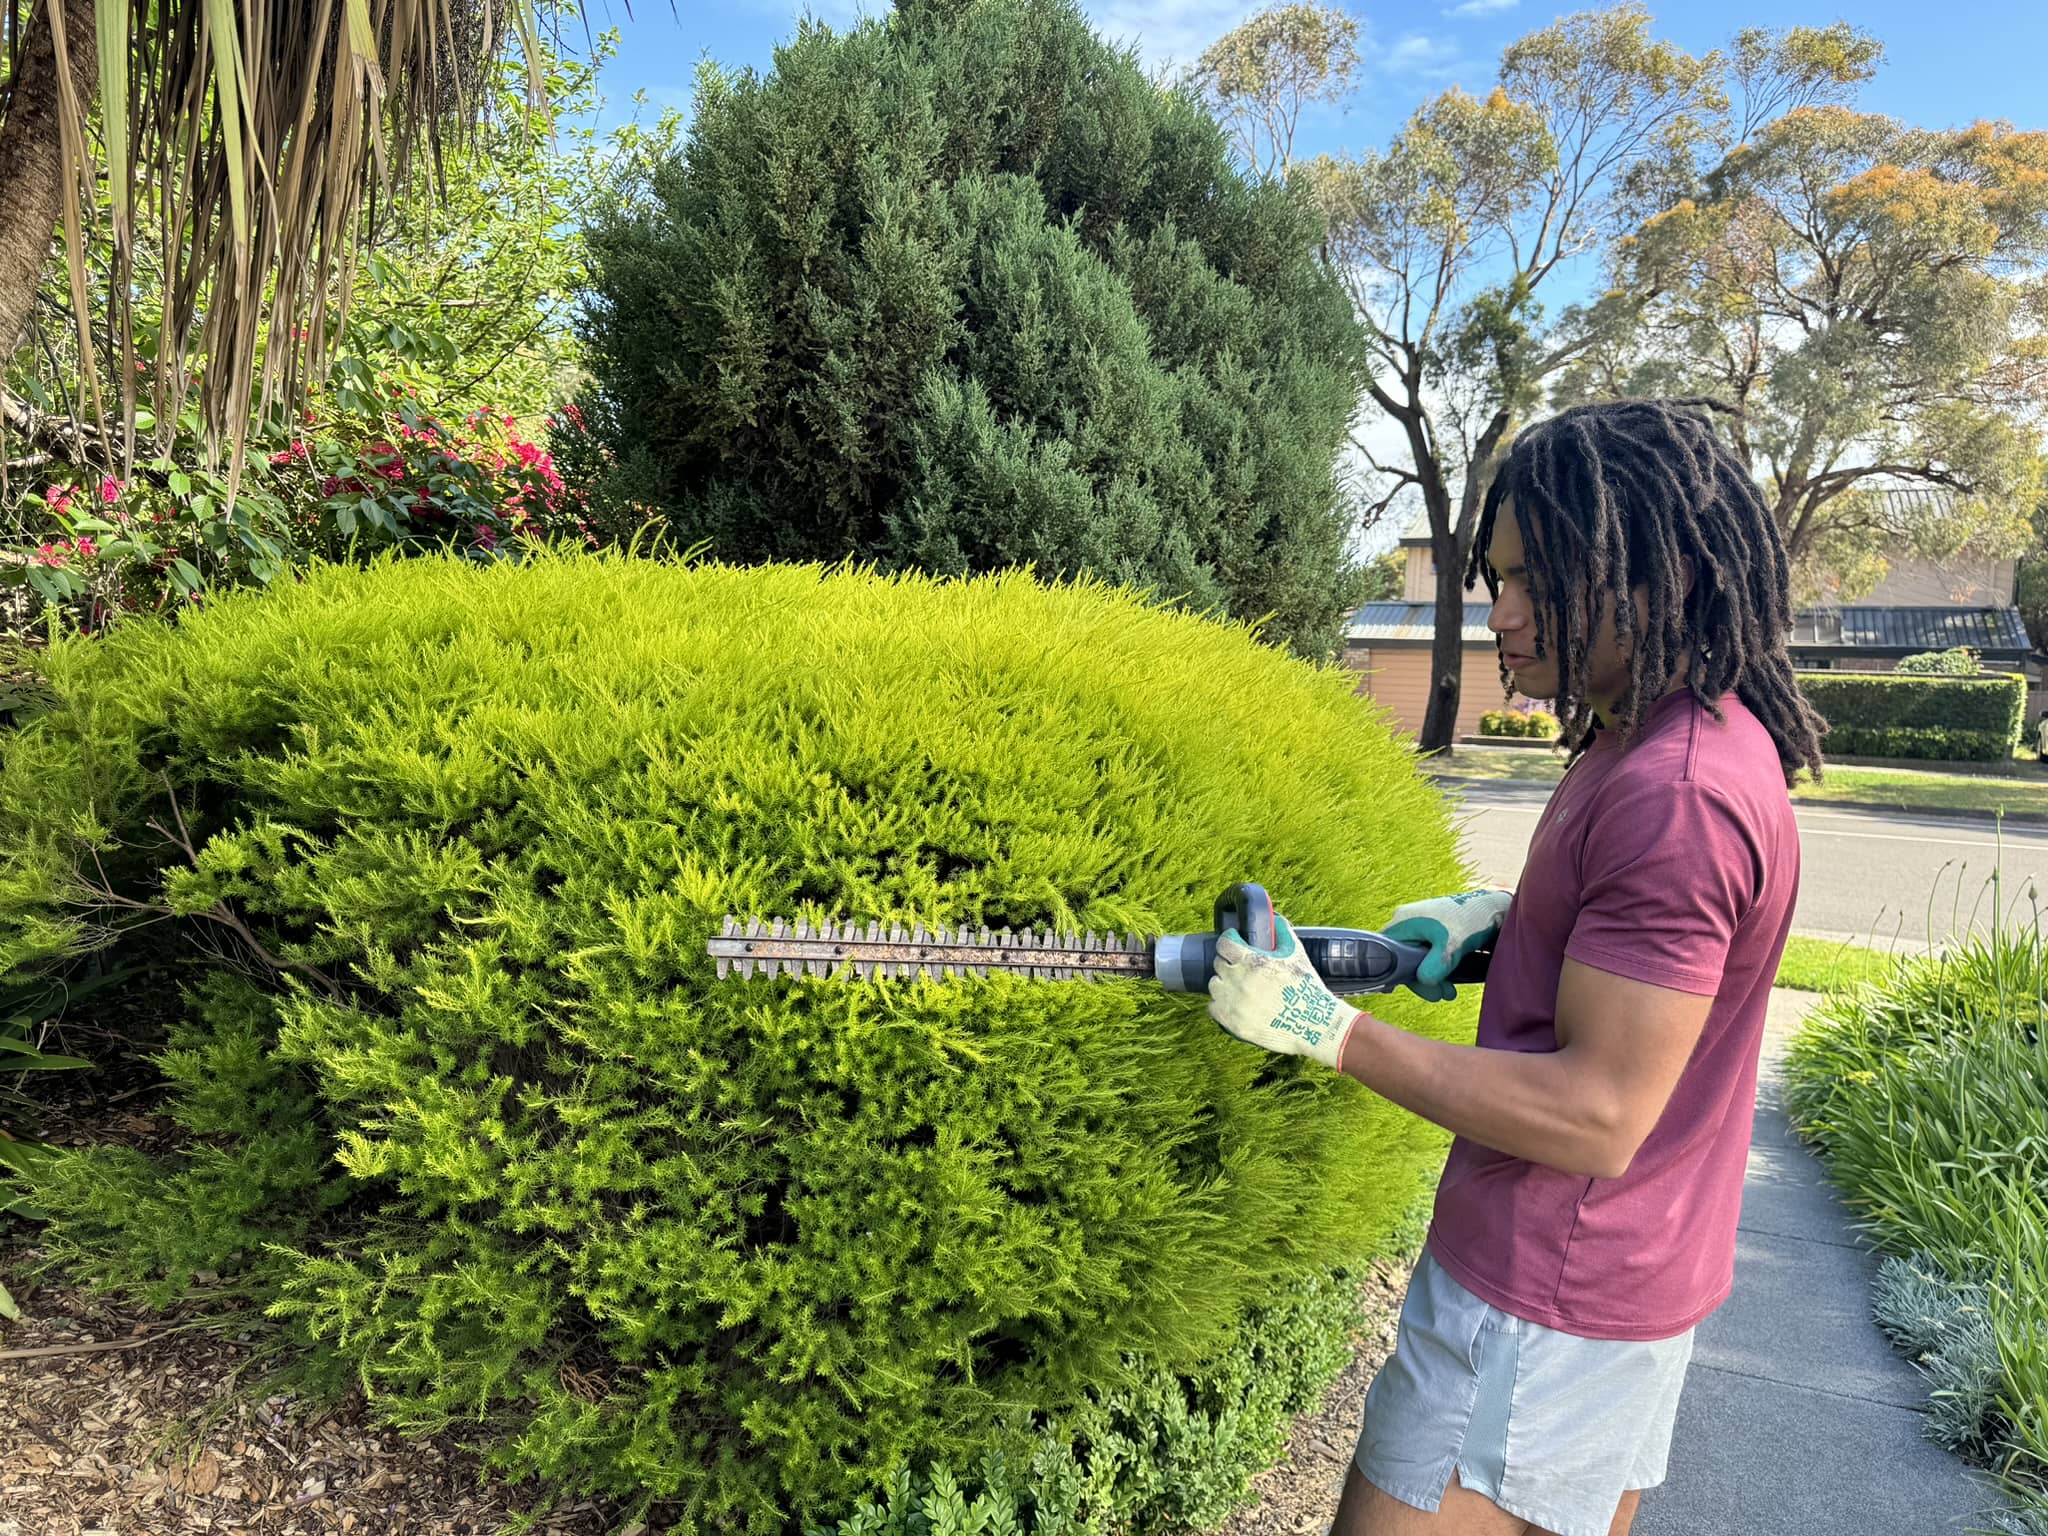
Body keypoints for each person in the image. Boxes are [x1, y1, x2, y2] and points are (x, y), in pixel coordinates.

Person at [1206, 398, 1826, 1536]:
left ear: (1661, 569)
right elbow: (1659, 971)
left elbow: (1596, 1113)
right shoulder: (1659, 731)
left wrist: (1318, 1024)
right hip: (1620, 1276)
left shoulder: (1672, 794)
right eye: (1498, 580)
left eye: (1542, 580)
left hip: (1544, 1300)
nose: (1509, 616)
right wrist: (1513, 920)